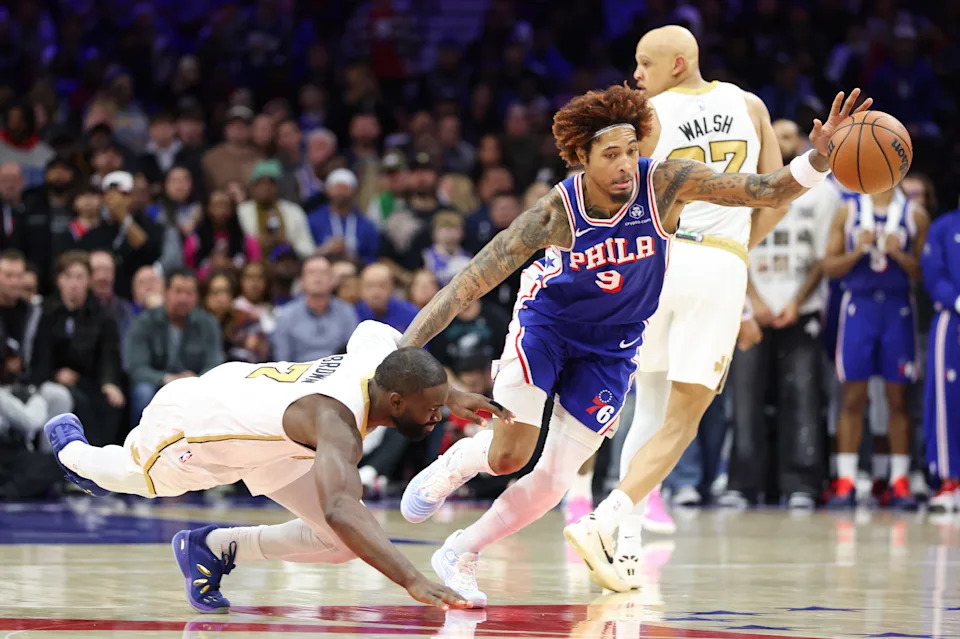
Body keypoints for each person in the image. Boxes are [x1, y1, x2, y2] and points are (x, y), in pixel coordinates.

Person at [397, 82, 859, 604]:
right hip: (547, 326)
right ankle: (458, 463)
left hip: (613, 347)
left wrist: (817, 160)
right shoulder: (555, 212)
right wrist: (405, 350)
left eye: (631, 150)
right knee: (509, 457)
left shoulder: (664, 182)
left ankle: (461, 550)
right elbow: (468, 284)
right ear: (581, 158)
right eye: (611, 154)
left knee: (553, 483)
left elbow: (764, 191)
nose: (625, 164)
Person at [43, 321, 502, 611]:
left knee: (339, 544)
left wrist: (453, 394)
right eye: (432, 407)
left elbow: (372, 328)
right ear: (396, 400)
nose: (438, 416)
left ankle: (215, 548)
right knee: (132, 477)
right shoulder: (336, 423)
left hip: (267, 430)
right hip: (193, 425)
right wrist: (413, 581)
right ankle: (72, 453)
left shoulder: (379, 361)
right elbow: (343, 508)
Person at [600, 25, 793, 549]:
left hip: (660, 262)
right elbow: (778, 195)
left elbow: (621, 200)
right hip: (717, 264)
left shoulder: (650, 119)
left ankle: (625, 538)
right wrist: (737, 245)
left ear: (678, 64)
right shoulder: (750, 105)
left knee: (650, 402)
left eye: (645, 64)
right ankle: (611, 523)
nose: (637, 75)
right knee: (680, 419)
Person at [720, 119, 843, 511]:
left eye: (791, 136)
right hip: (750, 311)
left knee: (803, 397)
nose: (784, 142)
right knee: (744, 400)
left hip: (800, 309)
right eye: (777, 136)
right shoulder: (742, 188)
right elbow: (732, 249)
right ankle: (743, 483)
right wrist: (752, 302)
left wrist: (796, 301)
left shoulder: (826, 194)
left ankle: (802, 482)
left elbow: (825, 256)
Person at [822, 185, 929, 509]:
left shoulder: (915, 215)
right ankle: (846, 480)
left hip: (897, 308)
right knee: (853, 397)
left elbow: (923, 274)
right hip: (859, 307)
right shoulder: (849, 209)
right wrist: (857, 251)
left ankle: (898, 481)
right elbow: (829, 266)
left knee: (898, 398)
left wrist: (900, 255)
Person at [125, 268, 224, 426]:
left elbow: (215, 363)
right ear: (165, 292)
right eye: (178, 291)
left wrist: (195, 381)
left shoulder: (208, 324)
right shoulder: (144, 322)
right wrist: (168, 379)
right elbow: (136, 367)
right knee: (142, 391)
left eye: (189, 293)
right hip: (158, 385)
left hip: (195, 385)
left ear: (197, 297)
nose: (183, 298)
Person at [921, 206, 960, 512]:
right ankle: (949, 479)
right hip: (952, 319)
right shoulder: (944, 226)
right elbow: (934, 274)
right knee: (947, 402)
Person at [271, 255, 359, 362]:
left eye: (323, 273)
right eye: (311, 272)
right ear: (302, 281)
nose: (318, 278)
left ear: (332, 280)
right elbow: (282, 360)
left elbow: (355, 354)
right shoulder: (285, 316)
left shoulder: (347, 312)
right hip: (299, 375)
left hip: (339, 373)